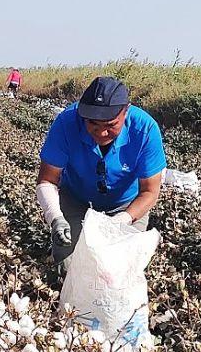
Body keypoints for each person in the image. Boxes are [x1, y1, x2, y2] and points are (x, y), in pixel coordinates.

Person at [35, 76, 165, 264]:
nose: (101, 133)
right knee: (68, 263)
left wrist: (121, 221)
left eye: (111, 125)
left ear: (126, 111)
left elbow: (149, 192)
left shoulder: (145, 130)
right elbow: (47, 180)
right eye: (92, 124)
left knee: (123, 265)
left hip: (127, 204)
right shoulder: (66, 123)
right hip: (76, 198)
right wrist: (55, 217)